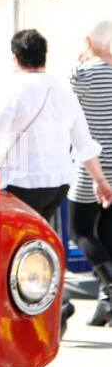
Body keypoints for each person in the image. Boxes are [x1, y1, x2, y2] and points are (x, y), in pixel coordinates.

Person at [0, 29, 112, 333]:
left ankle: (48, 304)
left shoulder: (13, 90)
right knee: (37, 241)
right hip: (57, 185)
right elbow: (84, 143)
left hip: (19, 184)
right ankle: (53, 301)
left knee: (7, 248)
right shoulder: (63, 92)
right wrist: (101, 182)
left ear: (15, 58)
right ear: (43, 56)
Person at [68, 20, 112, 326]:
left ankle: (110, 287)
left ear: (88, 40)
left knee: (79, 230)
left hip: (90, 163)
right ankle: (105, 303)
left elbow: (68, 112)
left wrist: (82, 58)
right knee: (107, 233)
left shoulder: (81, 74)